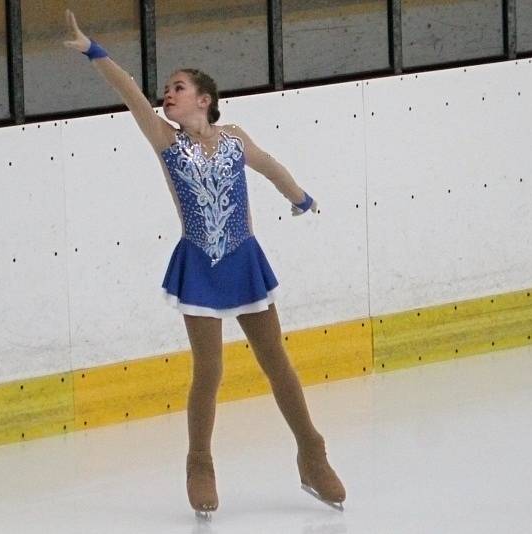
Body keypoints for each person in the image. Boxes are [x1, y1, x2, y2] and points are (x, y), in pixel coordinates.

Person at [63, 9, 345, 519]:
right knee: (209, 369)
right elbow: (129, 90)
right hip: (199, 264)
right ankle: (199, 463)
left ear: (204, 99)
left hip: (243, 260)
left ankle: (312, 451)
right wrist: (92, 50)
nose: (167, 94)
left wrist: (299, 196)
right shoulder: (166, 142)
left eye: (178, 87)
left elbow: (270, 166)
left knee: (276, 362)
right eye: (167, 89)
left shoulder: (234, 137)